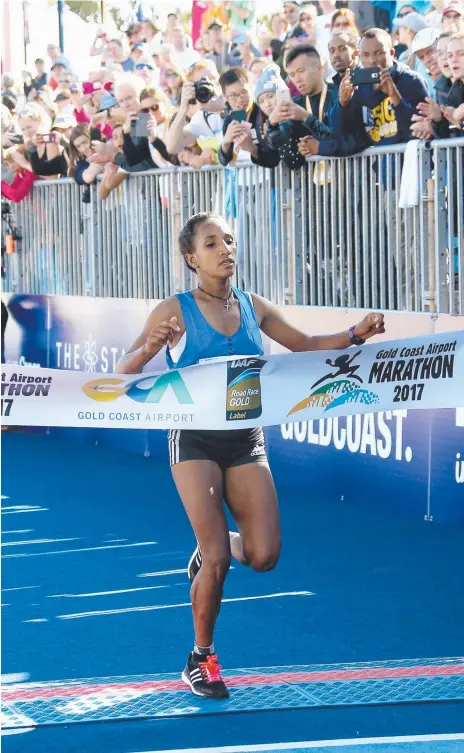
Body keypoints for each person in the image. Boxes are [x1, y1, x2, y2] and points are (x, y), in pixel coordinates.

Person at [115, 211, 386, 698]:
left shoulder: (252, 305)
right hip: (194, 440)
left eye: (229, 241)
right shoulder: (173, 310)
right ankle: (201, 658)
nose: (225, 249)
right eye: (212, 243)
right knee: (218, 561)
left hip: (245, 439)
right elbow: (122, 371)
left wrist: (356, 335)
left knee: (263, 556)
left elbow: (303, 345)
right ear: (190, 258)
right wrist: (148, 351)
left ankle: (212, 544)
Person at [332, 28, 429, 147]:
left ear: (392, 53)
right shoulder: (357, 87)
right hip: (376, 163)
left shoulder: (411, 81)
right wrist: (342, 104)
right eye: (365, 55)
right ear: (359, 56)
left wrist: (394, 96)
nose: (372, 60)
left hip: (409, 162)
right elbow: (342, 134)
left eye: (379, 53)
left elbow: (419, 131)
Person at [218, 67, 280, 168]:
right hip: (240, 181)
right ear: (225, 97)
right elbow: (224, 160)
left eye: (244, 92)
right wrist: (225, 143)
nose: (239, 99)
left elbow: (274, 159)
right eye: (233, 96)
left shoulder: (265, 114)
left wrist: (251, 148)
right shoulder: (230, 120)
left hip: (268, 179)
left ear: (252, 88)